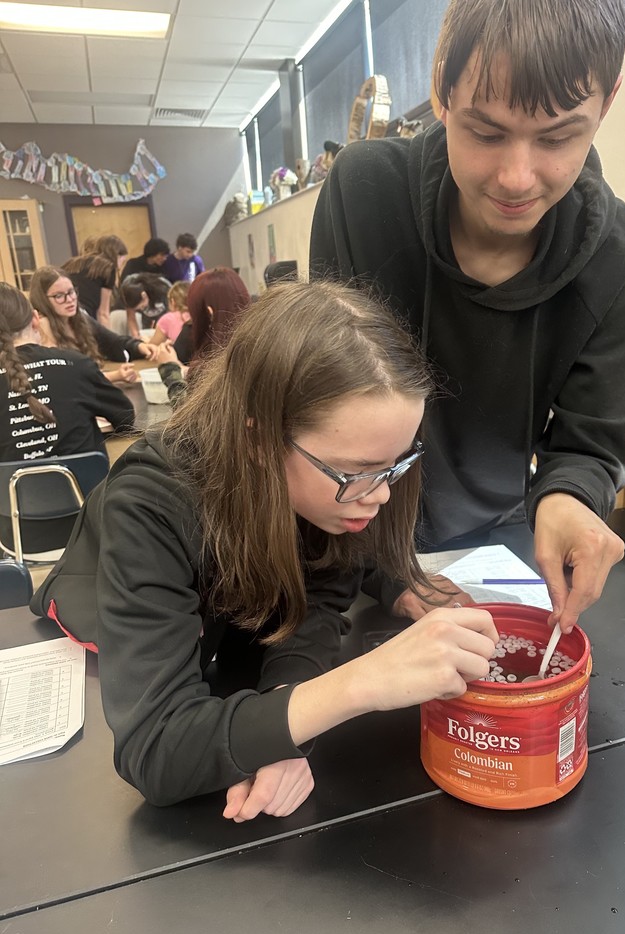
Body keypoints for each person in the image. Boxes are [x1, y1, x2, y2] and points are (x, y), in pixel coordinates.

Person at [30, 281, 498, 814]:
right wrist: (361, 682)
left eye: (396, 464)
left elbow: (319, 598)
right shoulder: (150, 503)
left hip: (238, 626)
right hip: (112, 625)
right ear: (258, 439)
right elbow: (155, 748)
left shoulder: (334, 487)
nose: (383, 494)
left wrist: (282, 721)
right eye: (356, 472)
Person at [310, 0, 625, 636]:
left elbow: (590, 444)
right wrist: (392, 571)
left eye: (557, 137)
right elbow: (333, 413)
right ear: (441, 90)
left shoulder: (620, 256)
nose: (517, 177)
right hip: (351, 540)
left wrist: (570, 498)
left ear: (606, 106)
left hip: (496, 547)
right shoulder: (363, 195)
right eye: (486, 132)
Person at [0, 282, 135, 463]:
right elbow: (125, 416)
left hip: (11, 490)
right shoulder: (76, 364)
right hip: (87, 489)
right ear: (35, 319)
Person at [30, 266, 155, 384]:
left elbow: (113, 341)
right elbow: (68, 376)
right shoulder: (41, 325)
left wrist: (140, 346)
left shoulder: (80, 318)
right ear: (43, 300)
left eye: (71, 292)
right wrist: (115, 376)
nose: (69, 300)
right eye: (59, 296)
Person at [155, 267, 251, 403]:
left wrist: (170, 370)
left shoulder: (234, 360)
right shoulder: (258, 342)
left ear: (209, 312)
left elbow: (189, 417)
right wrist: (184, 370)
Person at [62, 234, 128, 327]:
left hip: (63, 311)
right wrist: (109, 339)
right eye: (123, 261)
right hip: (83, 315)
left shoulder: (74, 262)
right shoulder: (108, 268)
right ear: (116, 255)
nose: (121, 266)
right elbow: (103, 313)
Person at [147, 281, 190, 346]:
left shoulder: (168, 319)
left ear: (173, 302)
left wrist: (145, 341)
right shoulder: (201, 315)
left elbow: (152, 347)